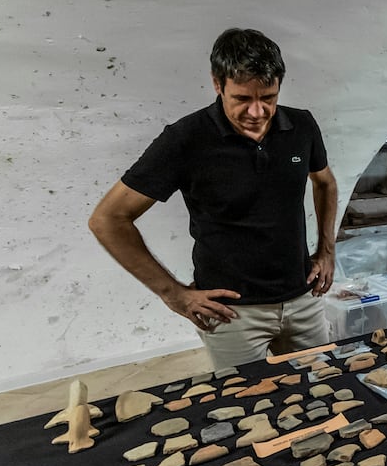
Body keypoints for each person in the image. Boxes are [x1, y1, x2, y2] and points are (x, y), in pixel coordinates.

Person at [89, 28, 338, 368]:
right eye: (241, 99)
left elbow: (324, 183)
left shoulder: (301, 125)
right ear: (217, 84)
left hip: (302, 299)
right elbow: (108, 219)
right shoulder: (185, 139)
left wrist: (326, 251)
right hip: (232, 312)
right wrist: (173, 293)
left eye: (268, 97)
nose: (257, 112)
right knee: (250, 409)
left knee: (324, 393)